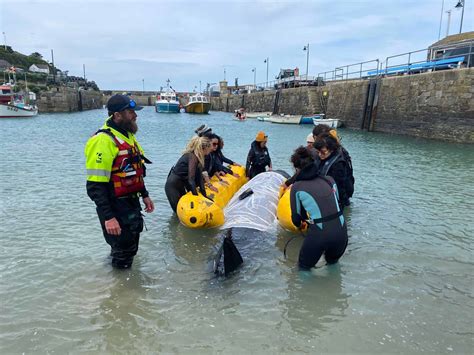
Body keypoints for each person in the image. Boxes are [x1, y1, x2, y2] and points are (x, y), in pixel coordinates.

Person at [85, 94, 155, 269]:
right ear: (117, 115)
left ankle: (117, 285)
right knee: (123, 253)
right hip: (115, 206)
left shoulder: (126, 136)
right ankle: (119, 291)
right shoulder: (103, 140)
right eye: (130, 112)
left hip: (131, 203)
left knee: (129, 249)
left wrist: (144, 195)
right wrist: (109, 217)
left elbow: (133, 170)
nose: (135, 115)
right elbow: (95, 185)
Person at [289, 146, 348, 269]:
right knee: (333, 265)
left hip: (320, 235)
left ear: (296, 168)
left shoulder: (297, 187)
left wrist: (302, 225)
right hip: (342, 232)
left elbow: (296, 219)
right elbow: (335, 204)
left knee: (303, 268)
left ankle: (307, 288)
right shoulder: (330, 180)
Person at [165, 136, 212, 213]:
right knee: (179, 213)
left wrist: (204, 196)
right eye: (209, 148)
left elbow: (200, 178)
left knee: (187, 211)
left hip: (180, 186)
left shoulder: (199, 157)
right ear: (204, 148)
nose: (210, 150)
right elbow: (191, 180)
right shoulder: (192, 157)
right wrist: (197, 198)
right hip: (172, 187)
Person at [313, 133, 353, 208]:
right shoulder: (320, 158)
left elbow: (340, 187)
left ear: (331, 150)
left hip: (337, 199)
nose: (320, 155)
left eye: (323, 152)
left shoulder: (338, 164)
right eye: (318, 152)